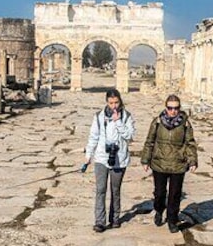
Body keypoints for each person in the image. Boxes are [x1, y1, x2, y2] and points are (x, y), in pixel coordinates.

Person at [140, 94, 197, 233]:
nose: (173, 111)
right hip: (159, 163)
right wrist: (145, 159)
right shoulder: (157, 122)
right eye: (170, 108)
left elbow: (190, 143)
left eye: (176, 108)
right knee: (159, 193)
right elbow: (150, 141)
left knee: (175, 194)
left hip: (178, 164)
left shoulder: (185, 124)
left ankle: (172, 219)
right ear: (166, 108)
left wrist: (193, 160)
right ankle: (159, 210)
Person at [83, 89, 136, 233]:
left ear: (120, 101)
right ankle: (99, 221)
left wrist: (118, 122)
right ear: (107, 102)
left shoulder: (127, 116)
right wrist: (89, 155)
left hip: (120, 159)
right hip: (101, 157)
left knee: (115, 190)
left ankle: (115, 218)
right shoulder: (99, 116)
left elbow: (130, 136)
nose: (114, 106)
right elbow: (93, 136)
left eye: (116, 102)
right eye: (111, 103)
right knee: (100, 190)